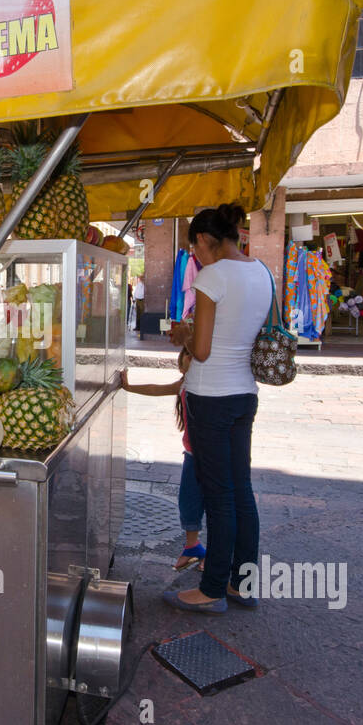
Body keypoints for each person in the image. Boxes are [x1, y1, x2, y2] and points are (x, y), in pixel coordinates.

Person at [162, 203, 273, 613]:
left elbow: (203, 350)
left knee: (219, 495)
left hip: (210, 397)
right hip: (245, 393)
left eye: (196, 251)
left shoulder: (213, 276)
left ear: (207, 241)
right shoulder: (262, 272)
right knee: (241, 491)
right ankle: (241, 585)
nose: (196, 259)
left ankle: (210, 589)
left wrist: (183, 336)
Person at [119, 351, 206, 572]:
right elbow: (155, 389)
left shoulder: (207, 384)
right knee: (188, 503)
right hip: (191, 454)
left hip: (210, 456)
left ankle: (216, 554)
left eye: (189, 356)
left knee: (215, 506)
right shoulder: (184, 384)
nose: (185, 364)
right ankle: (192, 545)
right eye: (185, 359)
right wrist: (129, 387)